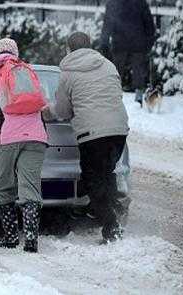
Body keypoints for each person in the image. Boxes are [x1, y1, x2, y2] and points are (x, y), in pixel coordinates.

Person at [44, 32, 129, 243]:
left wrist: (46, 112)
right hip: (119, 130)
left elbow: (63, 110)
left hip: (92, 134)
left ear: (68, 49)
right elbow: (116, 94)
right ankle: (105, 212)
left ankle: (111, 226)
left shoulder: (67, 74)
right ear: (90, 46)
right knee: (106, 173)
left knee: (93, 179)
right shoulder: (108, 65)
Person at [0, 38, 48, 253]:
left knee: (4, 187)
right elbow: (43, 100)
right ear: (15, 53)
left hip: (7, 139)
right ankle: (31, 238)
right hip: (36, 138)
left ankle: (11, 237)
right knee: (30, 186)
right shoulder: (28, 70)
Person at [100, 0, 156, 106]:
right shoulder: (140, 2)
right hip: (138, 42)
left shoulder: (113, 3)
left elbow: (108, 23)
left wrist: (104, 42)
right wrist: (150, 41)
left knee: (116, 72)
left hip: (119, 42)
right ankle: (138, 98)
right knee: (138, 71)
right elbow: (149, 22)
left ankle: (112, 98)